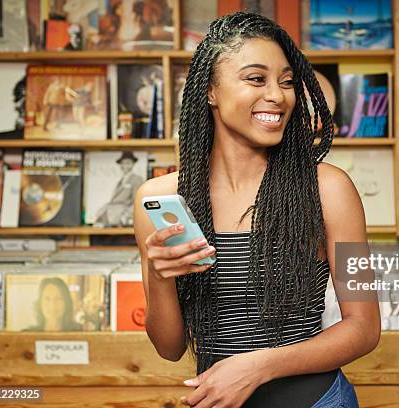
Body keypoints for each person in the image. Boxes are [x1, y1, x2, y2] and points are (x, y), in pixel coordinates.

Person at [133, 12, 379, 408]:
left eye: (285, 81)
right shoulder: (161, 199)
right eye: (255, 78)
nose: (278, 96)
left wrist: (257, 367)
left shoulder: (331, 189)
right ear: (210, 90)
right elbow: (169, 348)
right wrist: (161, 278)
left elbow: (364, 328)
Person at [96, 151, 144, 226]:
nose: (125, 166)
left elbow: (137, 201)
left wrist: (126, 216)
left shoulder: (136, 179)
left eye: (128, 163)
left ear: (132, 164)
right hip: (111, 215)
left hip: (122, 217)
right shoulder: (121, 181)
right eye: (123, 163)